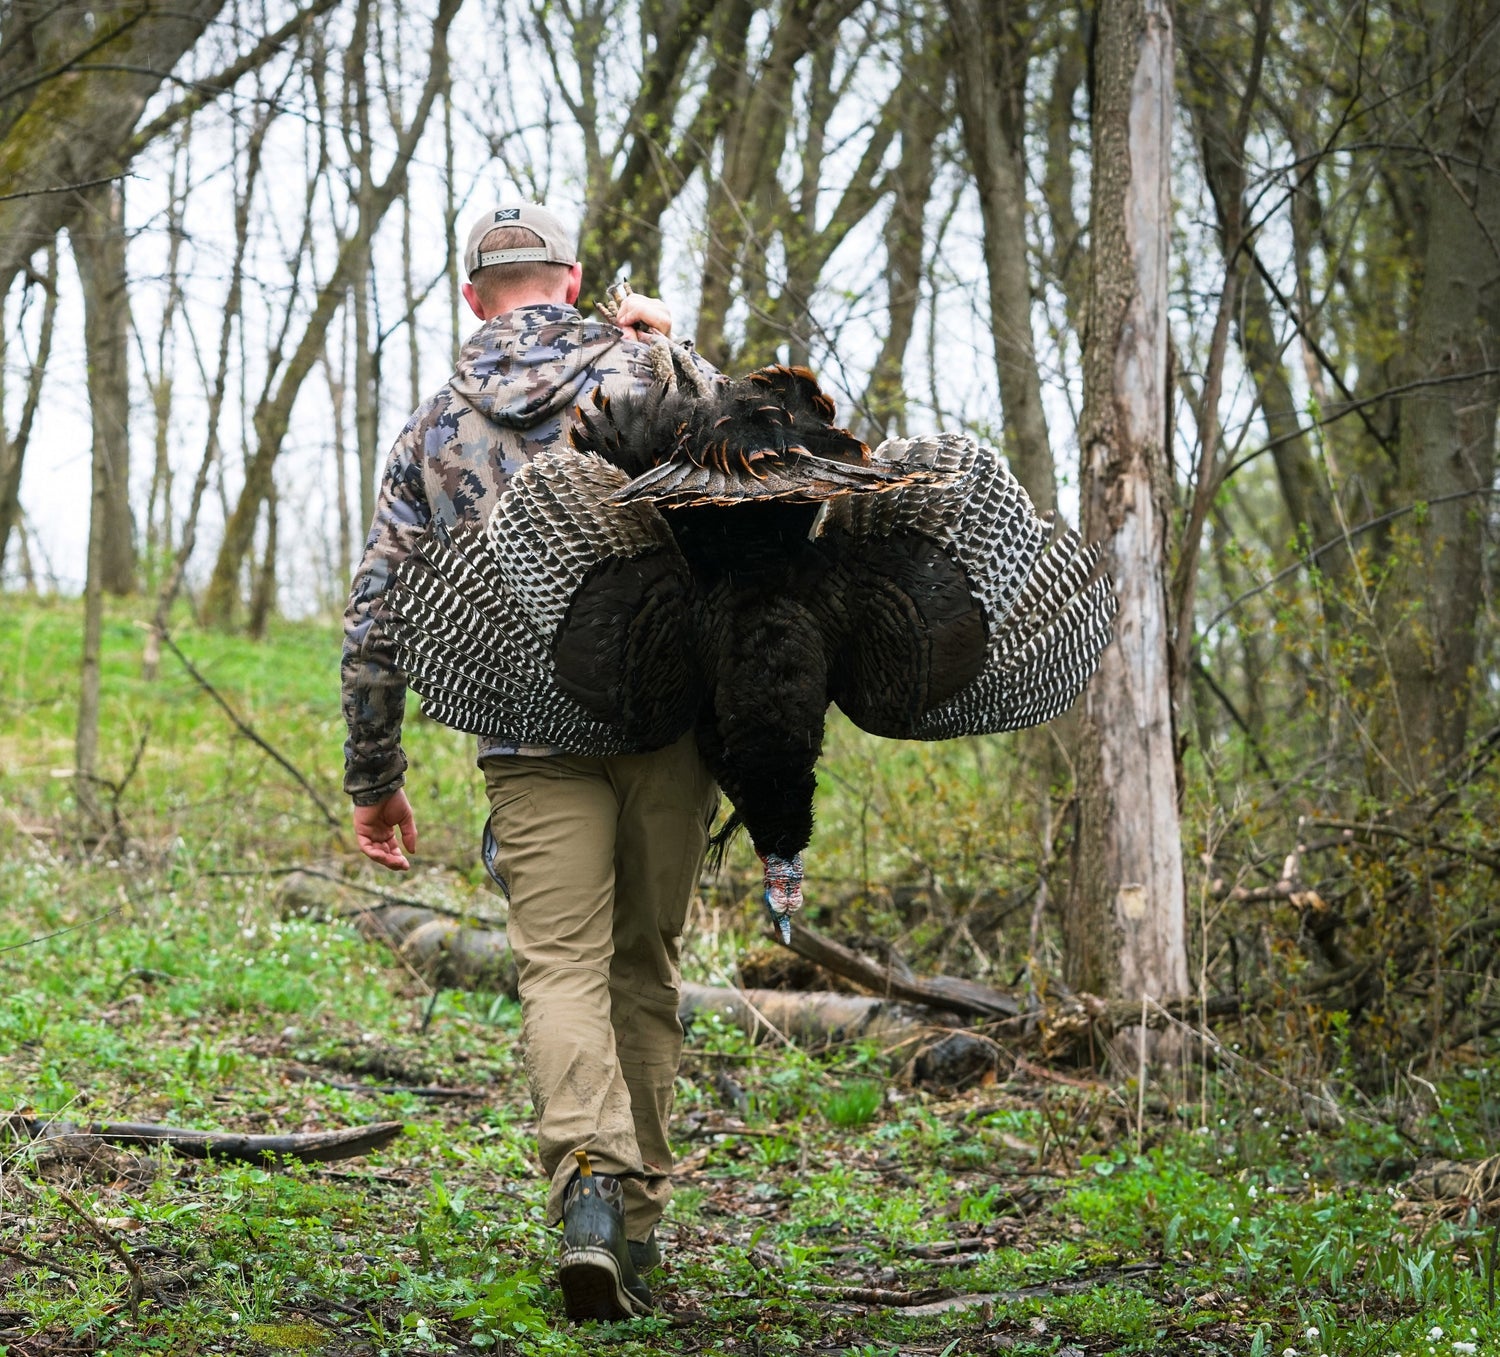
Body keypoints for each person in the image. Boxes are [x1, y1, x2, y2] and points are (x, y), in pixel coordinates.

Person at [341, 203, 720, 1321]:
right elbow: (764, 476)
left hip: (526, 736)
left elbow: (378, 611)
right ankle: (636, 1237)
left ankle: (591, 1192)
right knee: (643, 968)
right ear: (576, 277)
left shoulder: (430, 431)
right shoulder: (650, 380)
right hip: (669, 725)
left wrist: (376, 775)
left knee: (559, 967)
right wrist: (673, 346)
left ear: (473, 297)